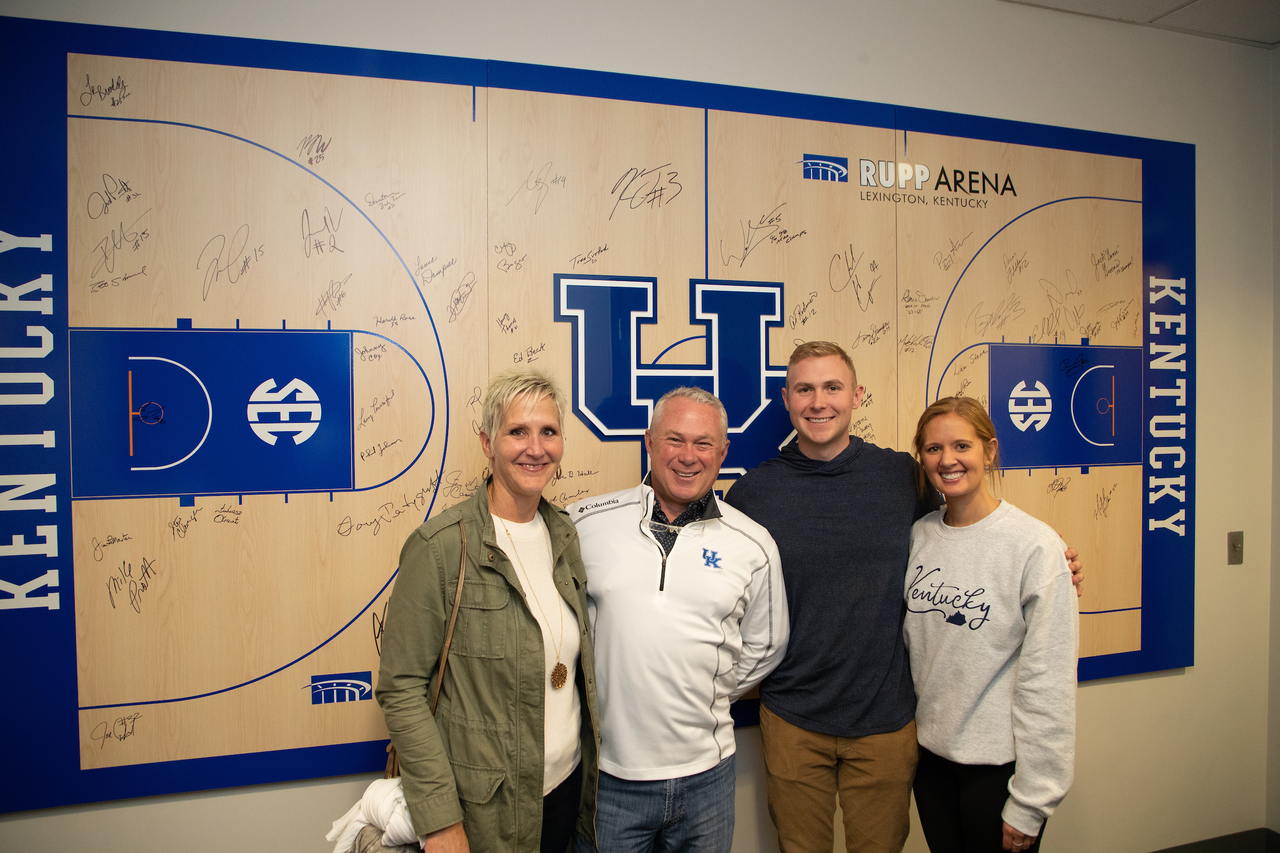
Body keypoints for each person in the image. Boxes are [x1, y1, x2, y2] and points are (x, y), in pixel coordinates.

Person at [725, 342, 1080, 853]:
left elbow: (973, 527)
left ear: (857, 396)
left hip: (888, 722)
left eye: (832, 387)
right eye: (805, 388)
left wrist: (1053, 562)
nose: (818, 401)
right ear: (786, 399)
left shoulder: (903, 477)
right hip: (792, 718)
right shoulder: (755, 493)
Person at [376, 367, 600, 853]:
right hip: (482, 811)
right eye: (517, 431)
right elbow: (402, 687)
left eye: (548, 431)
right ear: (487, 442)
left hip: (563, 792)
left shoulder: (564, 535)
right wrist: (438, 820)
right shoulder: (438, 548)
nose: (535, 447)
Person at [568, 386, 789, 853]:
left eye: (704, 443)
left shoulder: (752, 543)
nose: (688, 456)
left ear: (723, 451)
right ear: (649, 441)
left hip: (707, 778)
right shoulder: (585, 524)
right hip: (610, 779)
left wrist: (702, 686)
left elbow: (767, 645)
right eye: (674, 440)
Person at [905, 396, 1076, 853]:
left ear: (990, 450)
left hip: (999, 768)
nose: (948, 460)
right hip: (932, 761)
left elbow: (1049, 682)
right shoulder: (918, 536)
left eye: (961, 445)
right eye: (933, 449)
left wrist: (1034, 799)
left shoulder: (1034, 546)